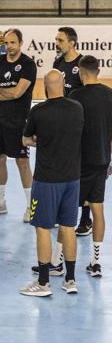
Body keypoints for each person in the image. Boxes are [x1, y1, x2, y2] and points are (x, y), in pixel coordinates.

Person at [19, 70, 83, 297]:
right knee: (68, 228)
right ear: (64, 84)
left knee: (43, 228)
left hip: (47, 179)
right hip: (72, 178)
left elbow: (26, 139)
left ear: (45, 86)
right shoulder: (77, 108)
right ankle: (71, 279)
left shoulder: (38, 112)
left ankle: (43, 282)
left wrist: (39, 140)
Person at [0, 29, 36, 222]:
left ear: (20, 43)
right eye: (7, 43)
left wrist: (0, 90)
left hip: (19, 120)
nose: (9, 46)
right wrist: (7, 92)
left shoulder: (28, 65)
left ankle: (31, 207)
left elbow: (18, 93)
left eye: (13, 42)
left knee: (22, 162)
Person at [69, 55, 112, 278]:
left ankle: (59, 261)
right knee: (98, 209)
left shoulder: (75, 96)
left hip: (79, 162)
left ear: (80, 72)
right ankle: (96, 262)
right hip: (102, 160)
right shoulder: (109, 94)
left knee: (66, 212)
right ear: (98, 70)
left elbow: (71, 130)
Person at [53, 27, 91, 236]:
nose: (56, 43)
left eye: (60, 40)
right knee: (62, 169)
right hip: (61, 125)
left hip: (78, 125)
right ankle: (64, 213)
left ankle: (85, 219)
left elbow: (89, 93)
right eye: (56, 39)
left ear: (72, 43)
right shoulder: (58, 63)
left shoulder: (82, 64)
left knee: (81, 172)